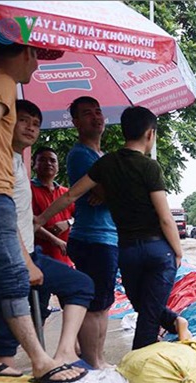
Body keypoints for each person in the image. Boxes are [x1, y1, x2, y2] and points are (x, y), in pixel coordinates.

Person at [0, 36, 84, 383]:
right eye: (36, 58)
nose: (37, 66)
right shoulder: (1, 82)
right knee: (14, 278)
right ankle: (42, 362)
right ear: (26, 54)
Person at [36, 106, 192, 351]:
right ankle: (144, 367)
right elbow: (165, 218)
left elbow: (71, 196)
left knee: (142, 305)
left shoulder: (107, 162)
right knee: (148, 315)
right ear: (150, 134)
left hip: (126, 251)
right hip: (157, 249)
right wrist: (178, 252)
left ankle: (171, 326)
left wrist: (39, 219)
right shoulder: (150, 167)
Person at [0, 100, 95, 371]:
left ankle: (64, 353)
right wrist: (29, 256)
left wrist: (65, 224)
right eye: (23, 121)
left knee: (79, 286)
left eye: (36, 124)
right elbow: (8, 216)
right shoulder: (1, 162)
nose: (31, 128)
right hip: (20, 255)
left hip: (39, 257)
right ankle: (4, 372)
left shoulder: (26, 170)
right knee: (11, 315)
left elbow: (73, 211)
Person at [65, 96, 118, 368]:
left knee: (105, 303)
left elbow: (118, 193)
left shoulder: (103, 157)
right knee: (94, 304)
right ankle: (92, 361)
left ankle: (98, 358)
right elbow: (110, 192)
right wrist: (109, 191)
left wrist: (111, 191)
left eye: (98, 111)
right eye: (87, 113)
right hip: (92, 238)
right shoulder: (79, 155)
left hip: (107, 237)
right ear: (75, 122)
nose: (96, 117)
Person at [31, 147, 75, 267]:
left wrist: (69, 222)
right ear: (34, 164)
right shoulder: (27, 190)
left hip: (66, 260)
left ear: (58, 167)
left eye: (52, 160)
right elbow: (26, 222)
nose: (48, 163)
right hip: (38, 259)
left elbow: (81, 217)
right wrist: (53, 239)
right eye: (43, 160)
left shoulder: (67, 194)